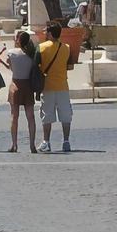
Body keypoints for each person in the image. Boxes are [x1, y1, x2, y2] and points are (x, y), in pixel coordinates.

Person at [37, 22, 74, 153]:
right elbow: (70, 66)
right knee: (66, 115)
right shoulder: (66, 48)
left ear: (50, 33)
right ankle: (66, 141)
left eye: (47, 31)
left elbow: (36, 66)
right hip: (63, 86)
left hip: (47, 86)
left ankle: (46, 142)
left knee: (47, 115)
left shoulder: (41, 48)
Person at [0, 30, 38, 153]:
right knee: (30, 117)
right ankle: (32, 145)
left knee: (14, 116)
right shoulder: (32, 54)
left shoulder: (12, 53)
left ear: (18, 40)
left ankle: (14, 144)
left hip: (15, 84)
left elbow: (10, 66)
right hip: (28, 85)